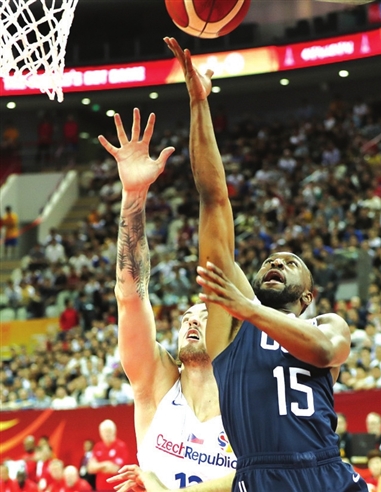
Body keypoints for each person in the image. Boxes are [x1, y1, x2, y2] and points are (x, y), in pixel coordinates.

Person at [164, 36, 368, 492]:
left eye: (291, 262)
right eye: (270, 260)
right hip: (257, 476)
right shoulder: (231, 324)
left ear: (308, 295)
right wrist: (199, 105)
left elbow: (324, 352)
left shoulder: (327, 324)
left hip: (325, 471)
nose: (276, 262)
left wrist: (250, 307)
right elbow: (213, 199)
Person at [97, 109, 235, 490]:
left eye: (203, 315)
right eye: (187, 315)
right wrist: (133, 196)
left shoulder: (245, 404)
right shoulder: (156, 384)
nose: (191, 319)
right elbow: (130, 294)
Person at [87, 419, 129, 491]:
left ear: (114, 432)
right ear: (100, 433)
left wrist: (98, 466)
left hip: (117, 488)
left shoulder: (121, 446)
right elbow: (90, 468)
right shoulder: (98, 446)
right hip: (101, 488)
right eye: (104, 431)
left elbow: (114, 469)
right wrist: (105, 464)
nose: (106, 434)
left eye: (109, 431)